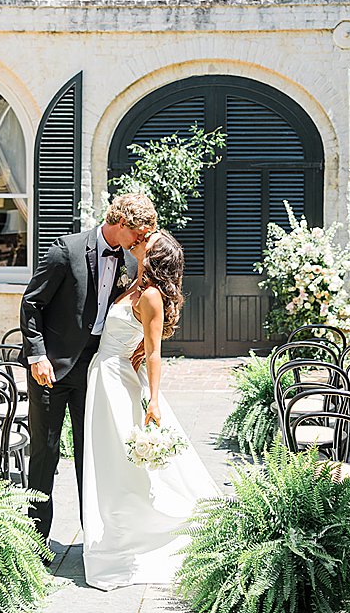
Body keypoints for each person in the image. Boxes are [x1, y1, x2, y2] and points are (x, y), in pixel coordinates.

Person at [81, 230, 221, 590]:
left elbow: (156, 352)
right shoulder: (134, 286)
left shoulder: (153, 297)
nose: (139, 241)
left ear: (155, 257)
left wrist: (154, 400)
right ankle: (116, 528)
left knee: (120, 460)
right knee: (108, 458)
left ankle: (133, 532)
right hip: (106, 373)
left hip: (120, 382)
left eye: (147, 242)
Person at [20, 193, 157, 541]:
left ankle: (94, 540)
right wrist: (37, 356)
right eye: (138, 234)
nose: (141, 242)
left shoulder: (128, 260)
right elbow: (32, 303)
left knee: (91, 454)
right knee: (44, 454)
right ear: (121, 224)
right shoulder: (65, 250)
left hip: (95, 369)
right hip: (49, 369)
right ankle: (35, 544)